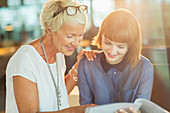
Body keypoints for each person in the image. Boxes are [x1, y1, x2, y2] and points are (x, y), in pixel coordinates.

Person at [5, 0, 97, 113]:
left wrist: (78, 67)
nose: (76, 43)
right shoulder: (24, 60)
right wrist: (77, 110)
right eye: (70, 36)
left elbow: (59, 94)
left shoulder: (58, 53)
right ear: (49, 29)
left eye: (80, 35)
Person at [78, 9, 154, 105]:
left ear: (131, 45)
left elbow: (142, 108)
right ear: (101, 37)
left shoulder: (144, 68)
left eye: (120, 46)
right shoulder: (86, 65)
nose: (112, 51)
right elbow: (85, 107)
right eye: (107, 43)